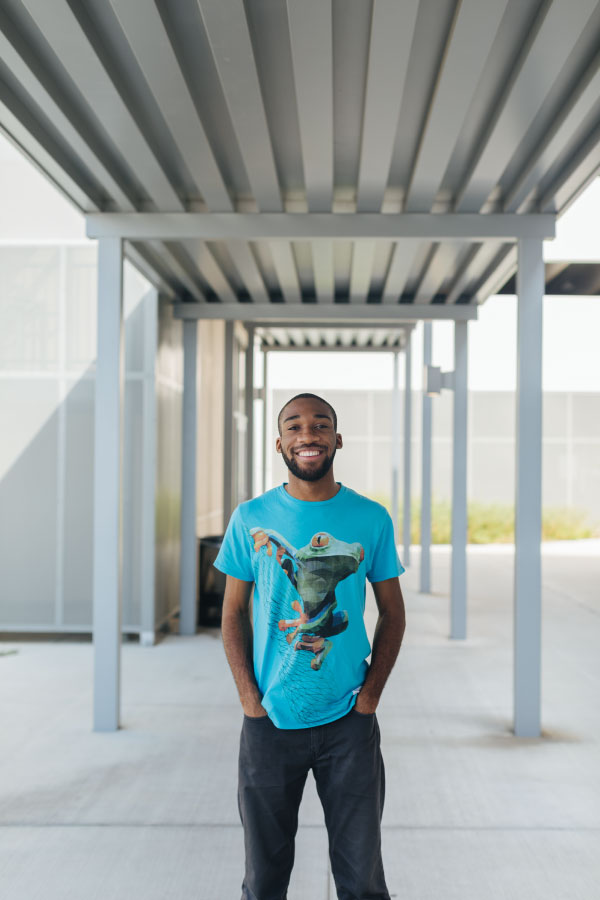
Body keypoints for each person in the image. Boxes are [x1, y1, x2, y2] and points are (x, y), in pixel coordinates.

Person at [215, 392, 406, 900]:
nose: (308, 434)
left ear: (337, 439)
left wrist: (369, 699)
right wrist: (248, 700)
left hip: (349, 721)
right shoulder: (251, 517)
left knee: (361, 876)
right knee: (264, 877)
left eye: (320, 424)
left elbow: (394, 611)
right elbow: (232, 612)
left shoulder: (370, 517)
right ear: (280, 443)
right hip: (270, 721)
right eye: (295, 426)